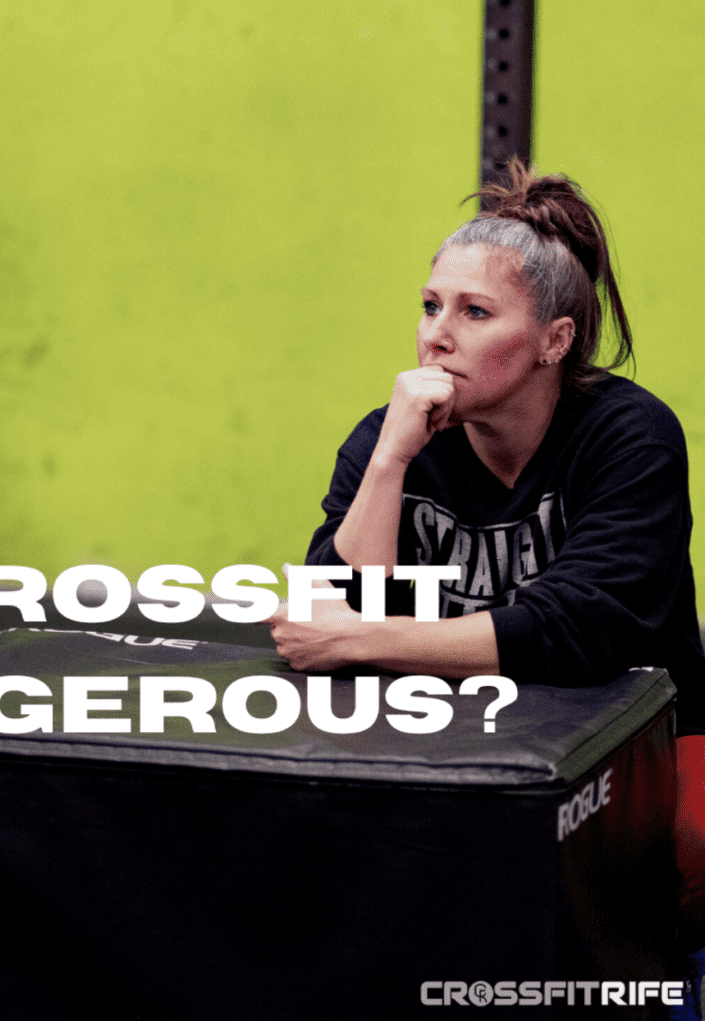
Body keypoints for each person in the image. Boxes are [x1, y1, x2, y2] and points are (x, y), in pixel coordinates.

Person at [265, 159, 705, 1016]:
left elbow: (578, 630)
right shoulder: (392, 440)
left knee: (694, 847)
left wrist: (362, 640)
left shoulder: (629, 435)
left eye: (475, 312)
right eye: (431, 306)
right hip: (469, 740)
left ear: (555, 340)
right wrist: (391, 461)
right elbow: (332, 601)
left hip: (637, 751)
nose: (437, 334)